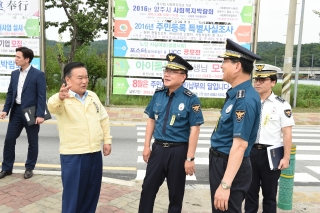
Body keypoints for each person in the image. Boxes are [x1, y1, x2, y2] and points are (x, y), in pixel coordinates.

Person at [138, 53, 204, 213]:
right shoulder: (158, 94)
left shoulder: (191, 99)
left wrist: (190, 158)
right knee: (147, 189)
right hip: (158, 149)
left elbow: (195, 129)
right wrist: (146, 146)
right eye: (166, 70)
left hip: (178, 151)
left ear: (183, 77)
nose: (166, 74)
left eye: (172, 72)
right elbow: (151, 120)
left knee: (175, 195)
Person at [47, 62, 112, 213]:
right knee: (73, 198)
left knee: (91, 195)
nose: (84, 81)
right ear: (68, 80)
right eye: (80, 78)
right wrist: (59, 97)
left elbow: (103, 118)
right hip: (74, 155)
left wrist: (107, 140)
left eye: (86, 77)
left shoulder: (92, 96)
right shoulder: (63, 99)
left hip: (94, 153)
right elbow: (51, 106)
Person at [209, 38, 262, 212]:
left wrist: (225, 185)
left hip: (230, 166)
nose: (221, 66)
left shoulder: (244, 100)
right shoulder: (237, 95)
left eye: (225, 61)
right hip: (222, 162)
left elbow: (240, 146)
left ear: (237, 66)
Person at [244, 64, 295, 213]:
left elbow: (287, 133)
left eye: (262, 80)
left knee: (270, 195)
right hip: (251, 152)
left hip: (271, 155)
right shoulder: (248, 102)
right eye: (256, 80)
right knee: (250, 193)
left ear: (273, 82)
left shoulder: (282, 105)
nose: (258, 83)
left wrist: (286, 158)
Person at [0, 47, 46, 179]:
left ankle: (29, 168)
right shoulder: (14, 74)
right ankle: (7, 168)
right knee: (9, 140)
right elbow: (10, 94)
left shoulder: (38, 74)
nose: (15, 59)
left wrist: (40, 114)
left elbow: (42, 96)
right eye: (15, 57)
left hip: (31, 112)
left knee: (32, 142)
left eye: (18, 57)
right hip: (16, 111)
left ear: (27, 59)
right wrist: (5, 110)